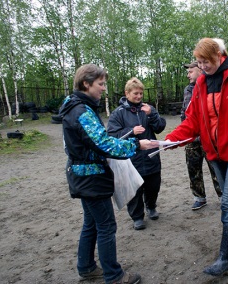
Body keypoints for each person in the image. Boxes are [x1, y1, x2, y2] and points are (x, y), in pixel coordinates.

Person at [164, 38, 228, 276]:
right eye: (199, 62)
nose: (202, 66)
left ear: (218, 56)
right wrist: (171, 140)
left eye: (206, 61)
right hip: (215, 155)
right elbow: (192, 121)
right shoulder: (201, 84)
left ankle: (224, 258)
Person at [59, 64, 158, 284]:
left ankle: (86, 267)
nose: (104, 89)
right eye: (101, 84)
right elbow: (103, 144)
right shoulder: (81, 112)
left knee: (91, 223)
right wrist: (136, 145)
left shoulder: (75, 107)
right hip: (91, 178)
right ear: (86, 83)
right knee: (106, 226)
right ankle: (114, 275)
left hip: (83, 175)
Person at [107, 77, 166, 230]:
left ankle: (151, 206)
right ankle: (137, 217)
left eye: (141, 93)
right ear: (127, 93)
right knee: (134, 189)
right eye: (135, 93)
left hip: (151, 155)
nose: (139, 96)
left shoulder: (147, 108)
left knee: (153, 186)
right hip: (131, 158)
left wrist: (152, 114)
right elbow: (112, 135)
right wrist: (131, 131)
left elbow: (159, 127)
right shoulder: (118, 113)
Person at [182, 61, 222, 210]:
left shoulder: (209, 86)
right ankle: (199, 197)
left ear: (200, 70)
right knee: (193, 169)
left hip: (208, 139)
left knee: (216, 169)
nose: (188, 75)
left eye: (190, 71)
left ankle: (223, 196)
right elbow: (184, 112)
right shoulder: (188, 90)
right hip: (191, 140)